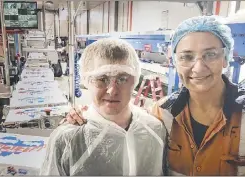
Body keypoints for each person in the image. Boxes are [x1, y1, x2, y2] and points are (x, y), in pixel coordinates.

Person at [62, 15, 245, 176]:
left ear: (226, 58)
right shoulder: (162, 114)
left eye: (210, 54)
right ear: (175, 62)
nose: (198, 67)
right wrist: (85, 114)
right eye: (187, 57)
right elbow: (123, 122)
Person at [40, 38, 166, 176]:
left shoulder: (155, 130)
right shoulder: (68, 139)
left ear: (135, 80)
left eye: (122, 79)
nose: (112, 90)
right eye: (101, 79)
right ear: (87, 81)